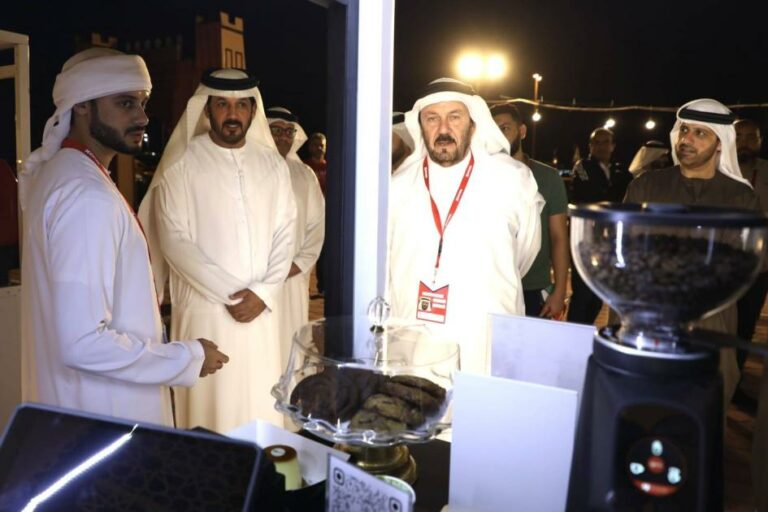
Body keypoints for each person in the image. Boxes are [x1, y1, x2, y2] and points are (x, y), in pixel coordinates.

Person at [18, 48, 228, 427]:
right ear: (82, 106)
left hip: (82, 410)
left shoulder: (68, 175)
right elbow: (82, 342)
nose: (142, 117)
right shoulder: (85, 195)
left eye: (143, 102)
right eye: (125, 103)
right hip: (103, 416)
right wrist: (187, 358)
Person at [139, 68, 297, 432]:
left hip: (261, 315)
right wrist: (234, 295)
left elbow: (286, 232)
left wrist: (262, 293)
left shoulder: (273, 164)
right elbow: (174, 240)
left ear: (253, 111)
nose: (232, 114)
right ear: (207, 109)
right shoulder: (181, 163)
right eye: (222, 105)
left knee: (260, 409)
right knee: (210, 415)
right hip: (206, 312)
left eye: (241, 105)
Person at [388, 78, 543, 375]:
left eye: (454, 117)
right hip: (413, 339)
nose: (443, 129)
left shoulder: (513, 180)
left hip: (484, 336)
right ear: (420, 126)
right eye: (432, 119)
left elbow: (525, 253)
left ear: (473, 124)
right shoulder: (397, 187)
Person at [491, 103, 570, 319]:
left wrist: (560, 291)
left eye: (505, 128)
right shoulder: (481, 177)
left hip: (533, 288)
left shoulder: (548, 177)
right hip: (493, 287)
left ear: (522, 131)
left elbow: (559, 236)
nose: (499, 136)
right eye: (493, 130)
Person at [265, 106, 325, 366]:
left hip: (292, 278)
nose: (283, 137)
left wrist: (297, 265)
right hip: (254, 277)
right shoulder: (246, 168)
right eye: (276, 130)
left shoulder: (305, 174)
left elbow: (317, 227)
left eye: (289, 132)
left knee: (290, 341)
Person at [567, 127, 632, 325]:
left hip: (610, 240)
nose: (601, 146)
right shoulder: (582, 166)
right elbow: (588, 193)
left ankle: (586, 333)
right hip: (586, 238)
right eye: (597, 142)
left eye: (605, 142)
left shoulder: (621, 171)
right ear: (590, 146)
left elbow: (629, 194)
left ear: (613, 146)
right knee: (582, 293)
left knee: (598, 295)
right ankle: (574, 335)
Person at [735, 119, 768, 359]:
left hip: (759, 266)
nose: (744, 142)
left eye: (750, 137)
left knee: (745, 326)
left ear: (760, 141)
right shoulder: (714, 169)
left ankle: (735, 376)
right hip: (718, 264)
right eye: (738, 136)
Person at [303, 132, 327, 296]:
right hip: (308, 216)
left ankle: (323, 286)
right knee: (305, 250)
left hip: (326, 216)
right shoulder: (303, 166)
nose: (319, 148)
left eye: (321, 145)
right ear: (309, 147)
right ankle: (303, 284)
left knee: (324, 253)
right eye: (315, 144)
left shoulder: (330, 167)